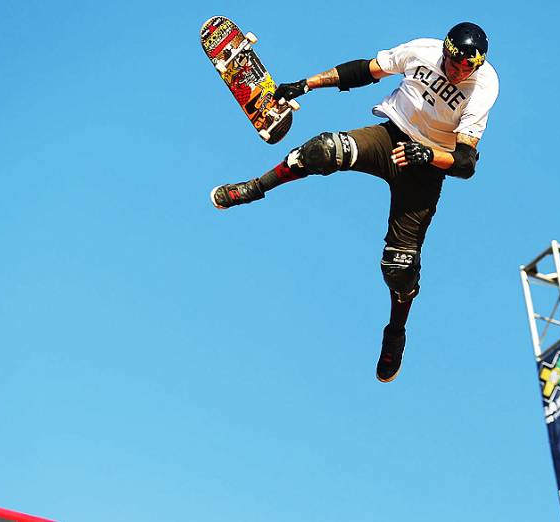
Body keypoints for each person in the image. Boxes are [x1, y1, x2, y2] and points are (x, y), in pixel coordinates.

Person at [210, 22, 499, 383]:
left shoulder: (484, 85)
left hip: (425, 167)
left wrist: (426, 154)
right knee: (320, 150)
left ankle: (396, 332)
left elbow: (466, 162)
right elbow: (366, 70)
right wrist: (305, 84)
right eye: (454, 64)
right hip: (389, 138)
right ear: (444, 51)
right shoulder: (422, 50)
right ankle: (255, 187)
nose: (458, 73)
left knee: (399, 268)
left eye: (467, 68)